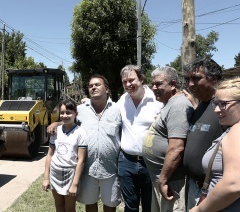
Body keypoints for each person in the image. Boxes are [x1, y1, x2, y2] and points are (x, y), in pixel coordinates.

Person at [190, 77, 240, 211]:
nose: (216, 110)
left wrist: (200, 209)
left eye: (223, 104)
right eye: (216, 103)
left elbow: (234, 184)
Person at [48, 74, 122, 212]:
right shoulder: (81, 110)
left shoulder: (118, 109)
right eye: (90, 86)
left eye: (97, 85)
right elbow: (68, 119)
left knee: (111, 205)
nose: (93, 87)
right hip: (88, 167)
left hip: (111, 168)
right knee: (90, 203)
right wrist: (56, 123)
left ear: (107, 89)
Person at [143, 66, 194, 212]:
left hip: (172, 181)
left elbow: (177, 148)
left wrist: (164, 179)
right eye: (153, 84)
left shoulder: (178, 106)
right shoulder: (169, 104)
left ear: (173, 84)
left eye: (158, 84)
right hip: (164, 179)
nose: (153, 88)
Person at [182, 57, 226, 209]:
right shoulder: (202, 104)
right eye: (187, 79)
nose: (190, 84)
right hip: (194, 186)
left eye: (196, 78)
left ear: (213, 79)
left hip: (211, 191)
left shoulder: (224, 108)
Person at [117, 65, 163, 212]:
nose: (128, 85)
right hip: (126, 161)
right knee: (130, 206)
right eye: (124, 82)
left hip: (150, 162)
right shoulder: (122, 100)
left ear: (142, 79)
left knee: (150, 205)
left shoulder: (157, 101)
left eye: (131, 80)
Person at [43, 99, 88, 212]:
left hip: (70, 174)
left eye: (68, 112)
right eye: (62, 112)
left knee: (70, 208)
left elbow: (81, 160)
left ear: (75, 114)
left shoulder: (80, 133)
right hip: (55, 173)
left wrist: (75, 184)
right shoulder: (56, 131)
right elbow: (50, 154)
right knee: (59, 206)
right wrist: (46, 178)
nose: (65, 115)